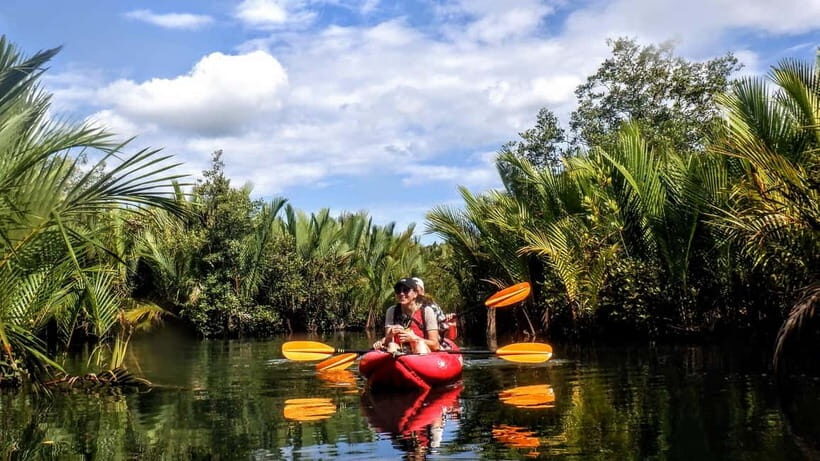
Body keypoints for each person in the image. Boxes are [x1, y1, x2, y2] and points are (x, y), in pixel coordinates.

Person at [373, 278, 441, 355]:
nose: (401, 294)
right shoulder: (391, 311)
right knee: (391, 346)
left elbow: (435, 345)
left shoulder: (427, 311)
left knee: (420, 345)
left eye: (406, 290)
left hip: (421, 350)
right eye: (398, 291)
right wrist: (389, 335)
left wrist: (414, 338)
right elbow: (387, 341)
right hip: (401, 349)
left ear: (415, 294)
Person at [412, 277, 457, 342]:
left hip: (429, 341)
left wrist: (451, 324)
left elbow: (446, 332)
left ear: (422, 291)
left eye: (416, 290)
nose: (414, 293)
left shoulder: (431, 306)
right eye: (411, 290)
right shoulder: (401, 307)